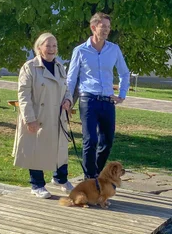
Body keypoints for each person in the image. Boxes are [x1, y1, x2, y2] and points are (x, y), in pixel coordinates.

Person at [67, 12, 130, 179]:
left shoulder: (114, 49)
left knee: (107, 142)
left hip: (108, 101)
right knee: (90, 140)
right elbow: (71, 78)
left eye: (108, 27)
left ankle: (96, 173)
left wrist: (121, 94)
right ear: (93, 27)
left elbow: (124, 73)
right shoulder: (80, 51)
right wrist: (67, 100)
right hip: (88, 100)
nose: (107, 31)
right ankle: (90, 177)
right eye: (103, 27)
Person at [12, 32, 74, 198]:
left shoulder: (60, 66)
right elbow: (23, 95)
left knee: (60, 149)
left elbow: (66, 89)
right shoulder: (29, 67)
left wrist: (68, 100)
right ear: (39, 48)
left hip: (57, 116)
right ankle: (37, 184)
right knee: (36, 150)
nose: (51, 49)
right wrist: (29, 119)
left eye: (54, 46)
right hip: (38, 117)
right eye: (48, 45)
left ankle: (60, 179)